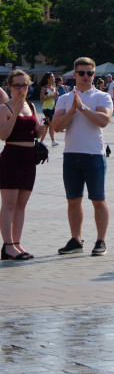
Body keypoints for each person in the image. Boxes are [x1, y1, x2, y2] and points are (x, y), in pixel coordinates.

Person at [52, 57, 114, 256]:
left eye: (89, 73)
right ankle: (76, 239)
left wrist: (83, 108)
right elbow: (57, 126)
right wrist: (71, 111)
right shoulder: (64, 98)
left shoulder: (102, 97)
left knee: (98, 199)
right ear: (75, 75)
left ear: (94, 75)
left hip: (94, 154)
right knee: (73, 200)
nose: (85, 76)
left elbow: (103, 120)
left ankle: (101, 240)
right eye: (81, 73)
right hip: (71, 154)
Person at [0, 70, 45, 260]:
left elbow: (32, 134)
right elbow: (3, 135)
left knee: (21, 205)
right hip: (11, 156)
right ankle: (7, 245)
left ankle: (17, 243)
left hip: (29, 157)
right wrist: (16, 112)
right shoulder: (5, 107)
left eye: (24, 85)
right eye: (17, 85)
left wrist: (39, 131)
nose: (21, 89)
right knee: (9, 204)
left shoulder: (31, 106)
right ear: (9, 87)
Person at [38, 72, 58, 147]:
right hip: (46, 108)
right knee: (51, 124)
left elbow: (54, 98)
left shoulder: (54, 87)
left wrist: (56, 96)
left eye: (53, 77)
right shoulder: (44, 88)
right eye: (51, 77)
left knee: (46, 125)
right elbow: (41, 99)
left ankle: (41, 142)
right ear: (47, 79)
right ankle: (53, 140)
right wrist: (50, 96)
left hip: (53, 107)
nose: (53, 78)